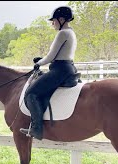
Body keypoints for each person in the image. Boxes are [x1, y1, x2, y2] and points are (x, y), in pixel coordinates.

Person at [20, 6, 78, 140]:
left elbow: (51, 56)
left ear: (62, 19)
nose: (52, 23)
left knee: (31, 93)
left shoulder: (62, 33)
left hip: (60, 70)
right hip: (68, 66)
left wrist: (38, 63)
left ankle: (36, 129)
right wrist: (43, 60)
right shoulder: (71, 32)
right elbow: (58, 55)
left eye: (54, 20)